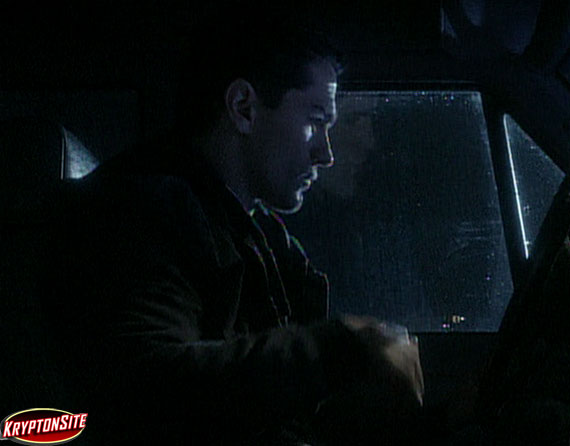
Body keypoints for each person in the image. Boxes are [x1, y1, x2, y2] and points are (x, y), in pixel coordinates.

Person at [42, 8, 424, 446]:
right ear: (244, 108)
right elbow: (147, 387)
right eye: (316, 121)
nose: (325, 154)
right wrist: (341, 348)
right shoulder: (140, 213)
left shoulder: (257, 237)